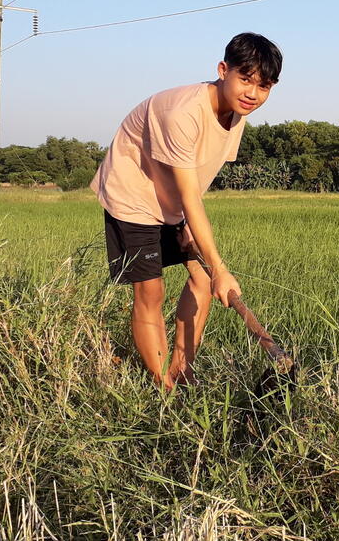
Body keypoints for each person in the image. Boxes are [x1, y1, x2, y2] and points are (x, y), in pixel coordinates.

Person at [91, 32, 282, 390]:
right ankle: (164, 386)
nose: (253, 94)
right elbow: (190, 194)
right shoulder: (182, 113)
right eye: (245, 79)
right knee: (151, 293)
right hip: (133, 194)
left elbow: (200, 175)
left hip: (173, 199)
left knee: (202, 280)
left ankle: (183, 370)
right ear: (223, 70)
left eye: (265, 86)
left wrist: (189, 228)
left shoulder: (235, 114)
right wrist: (222, 267)